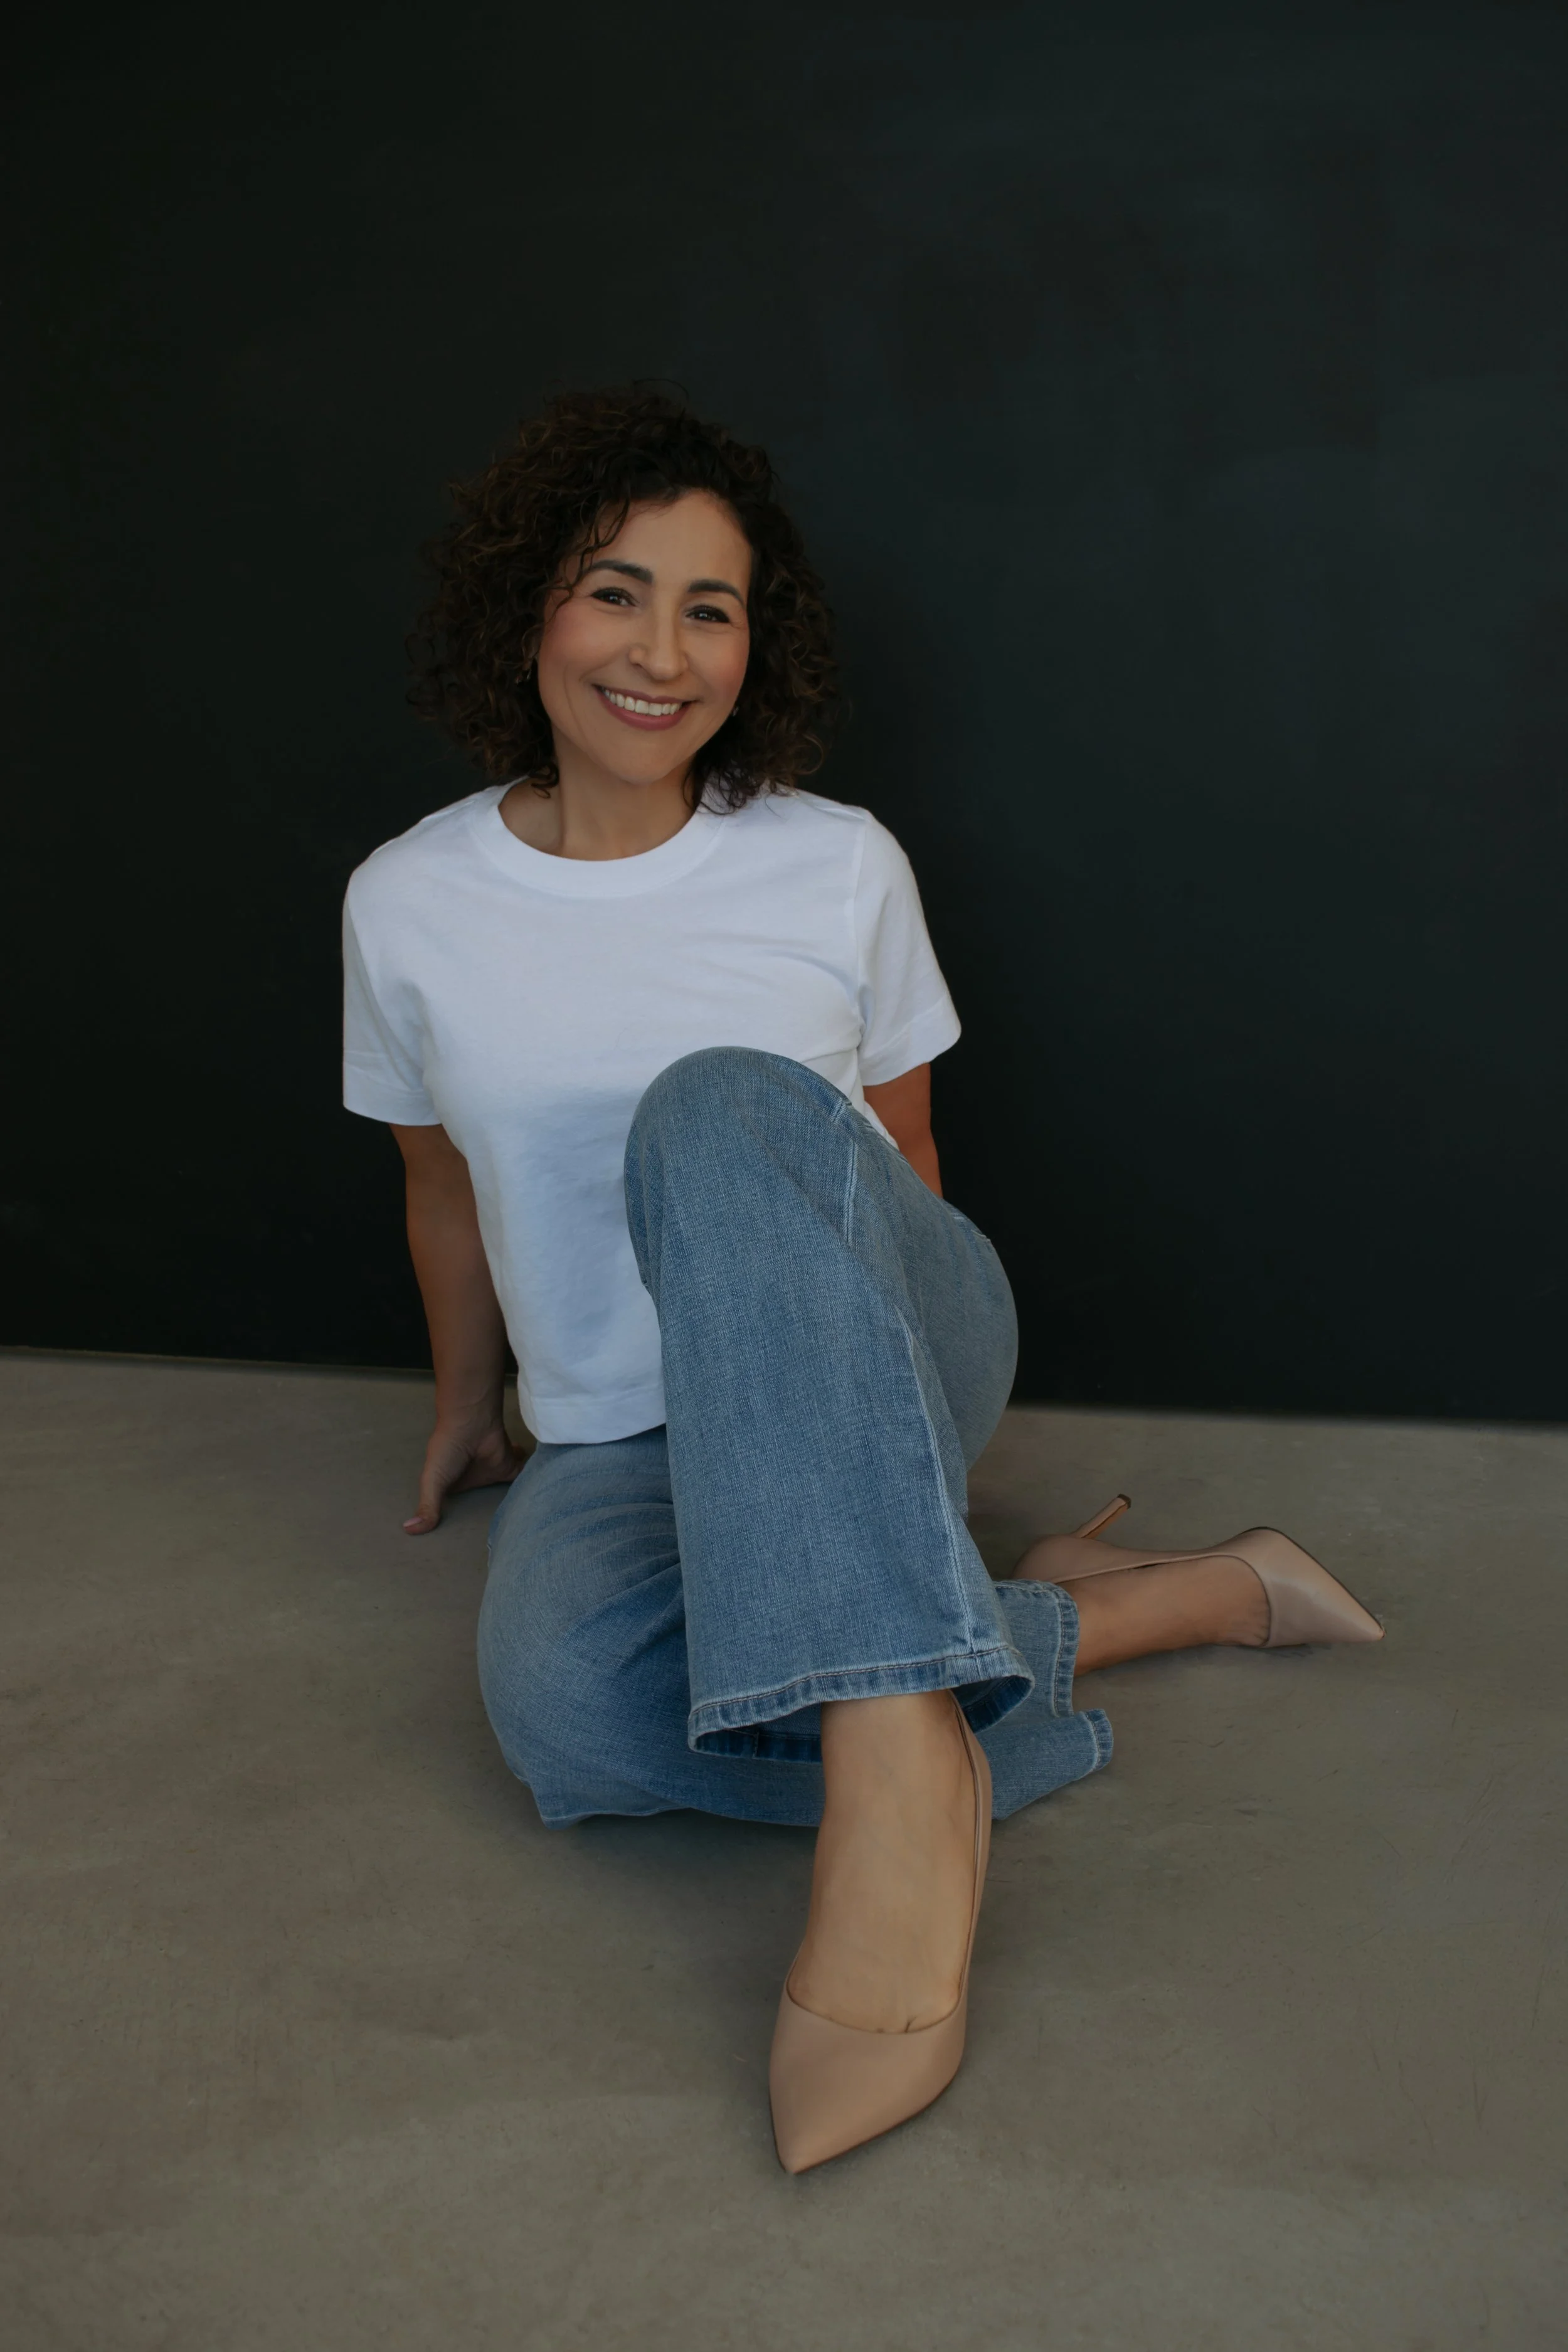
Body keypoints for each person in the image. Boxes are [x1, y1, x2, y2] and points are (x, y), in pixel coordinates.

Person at [341, 387, 1382, 2173]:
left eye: (711, 606)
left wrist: (880, 1436)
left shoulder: (833, 863)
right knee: (567, 1714)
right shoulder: (407, 900)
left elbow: (896, 1161)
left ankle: (900, 1785)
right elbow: (441, 1190)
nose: (660, 650)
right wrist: (464, 1406)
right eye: (615, 590)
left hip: (890, 1329)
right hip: (619, 1426)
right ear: (528, 606)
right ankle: (1133, 1605)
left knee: (719, 1103)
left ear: (760, 643)